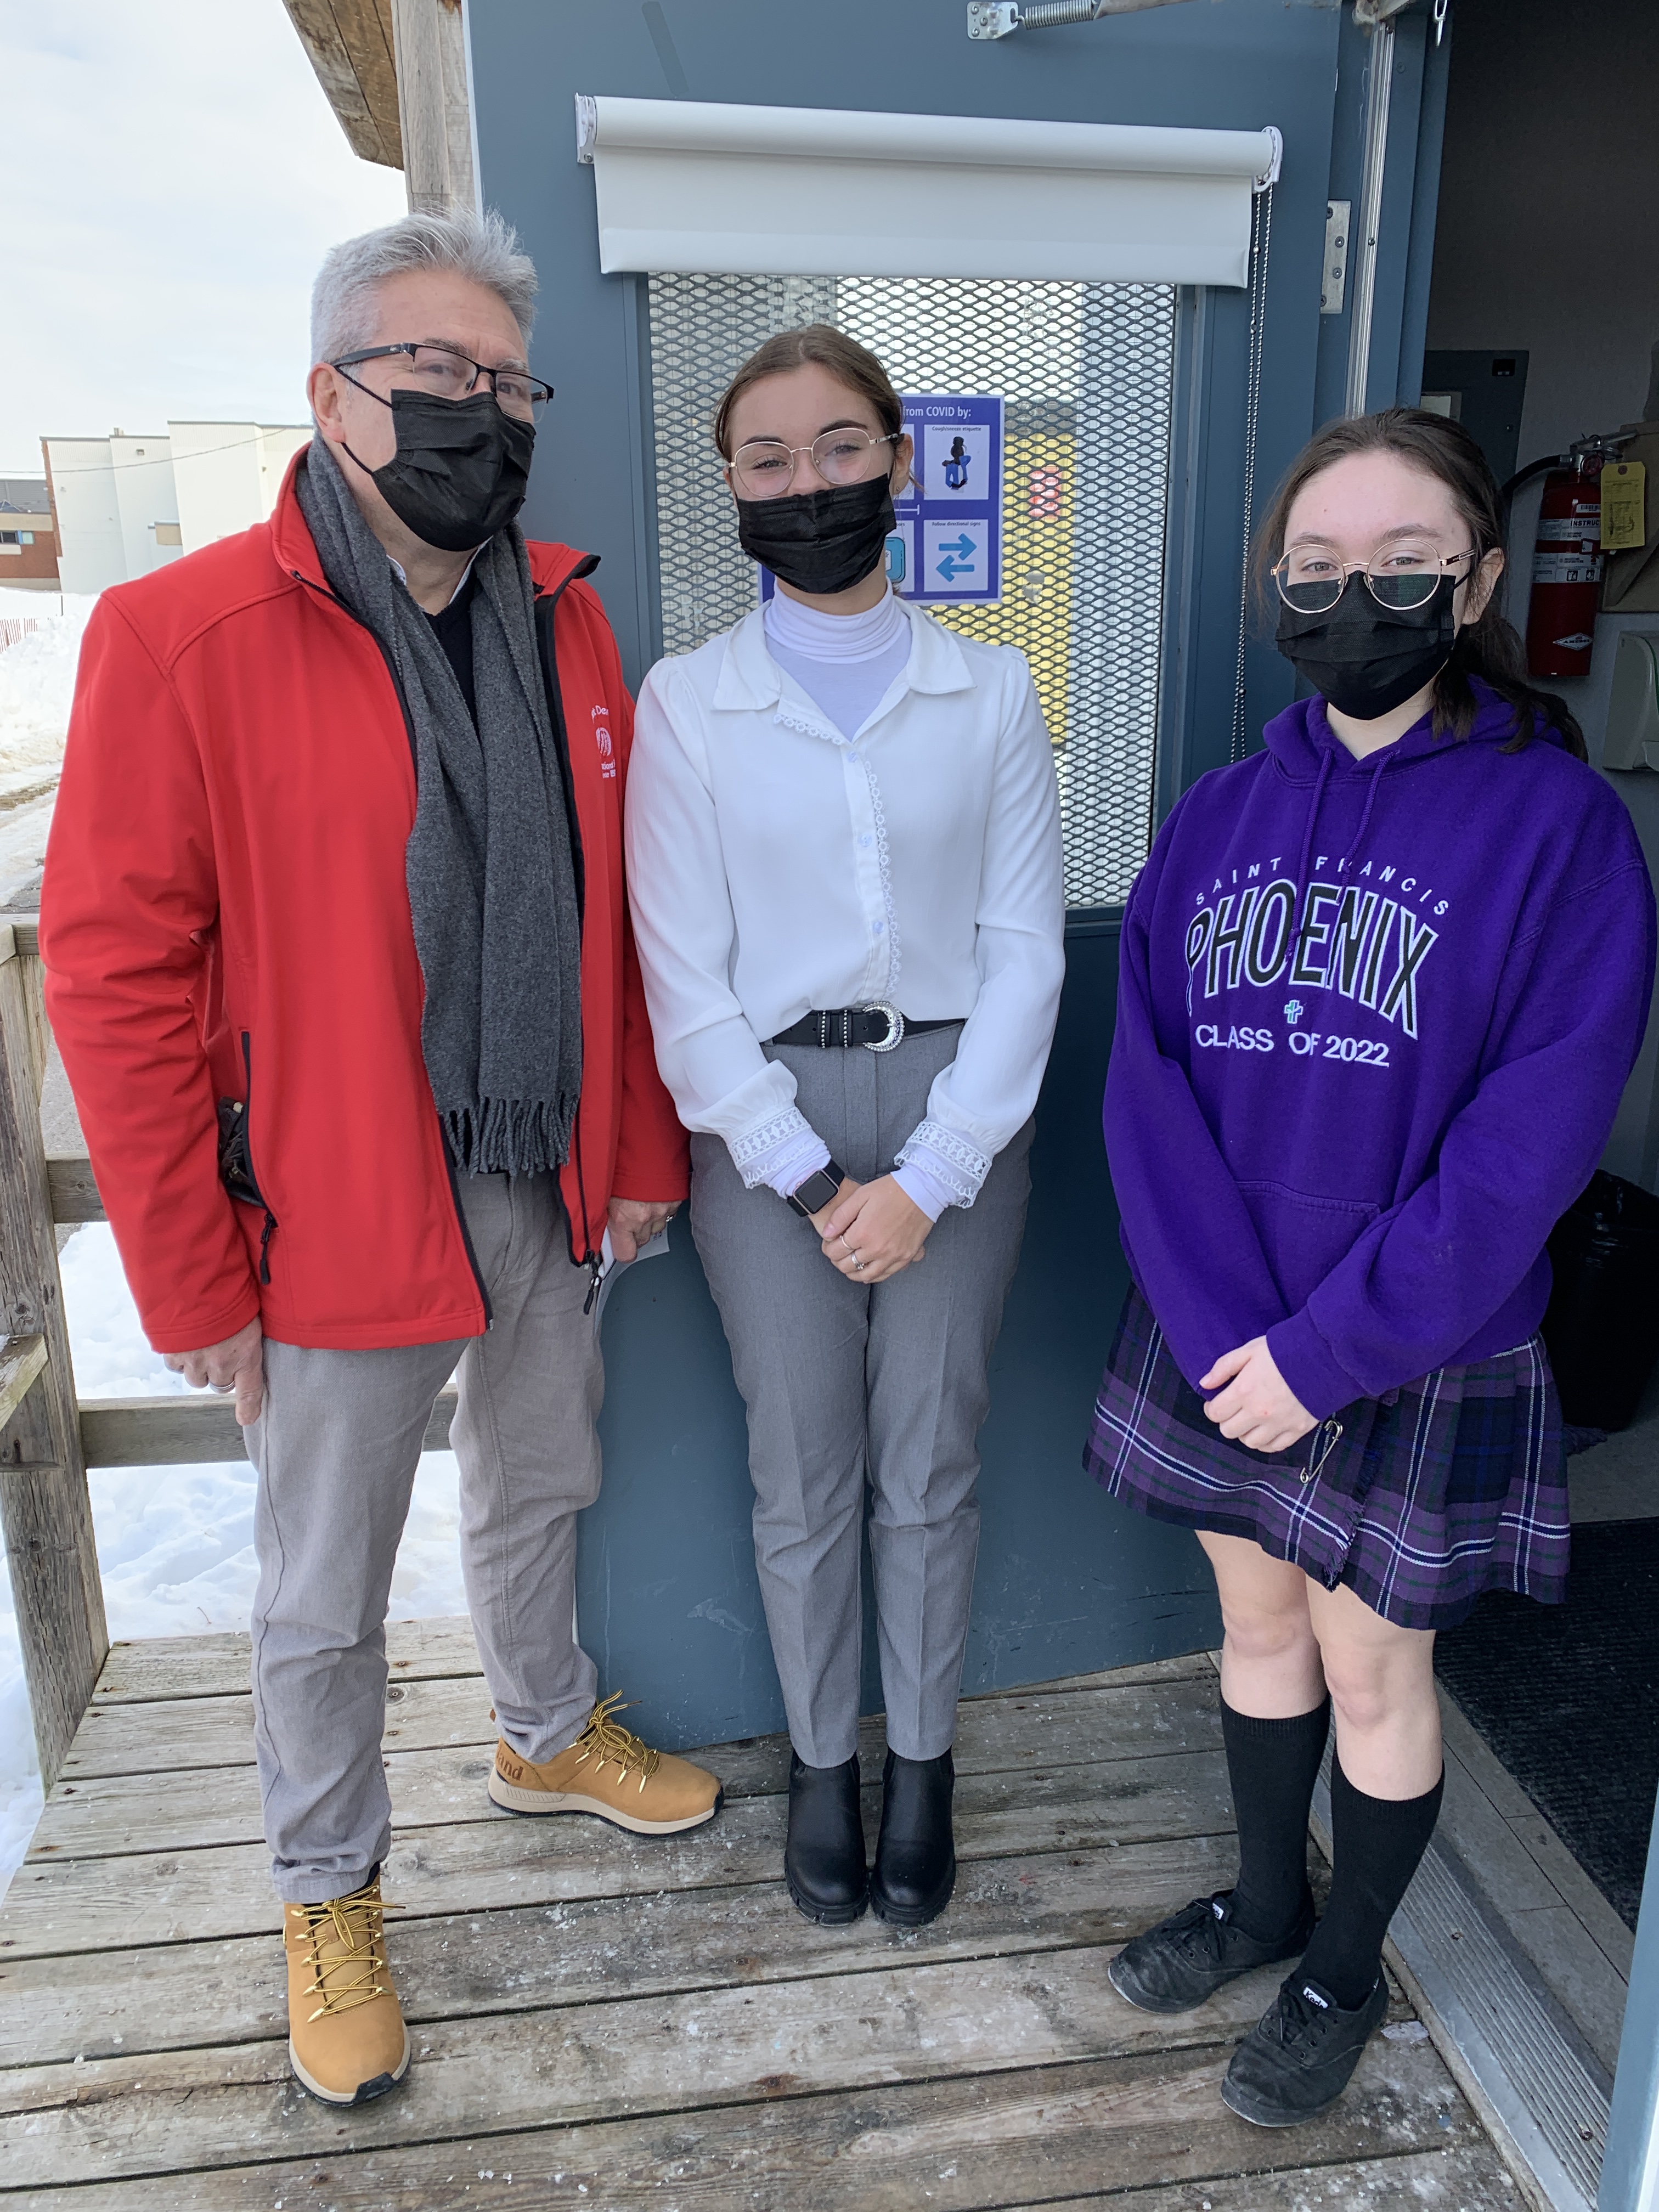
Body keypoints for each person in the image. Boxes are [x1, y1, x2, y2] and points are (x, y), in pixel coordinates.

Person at [40, 210, 722, 2111]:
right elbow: (114, 971)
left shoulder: (565, 616)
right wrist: (190, 1274)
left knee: (541, 1473)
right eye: (434, 371)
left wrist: (636, 1148)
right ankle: (324, 1886)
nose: (478, 410)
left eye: (507, 380)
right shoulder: (180, 633)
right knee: (321, 1579)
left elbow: (610, 920)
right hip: (323, 1194)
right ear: (330, 392)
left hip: (535, 1164)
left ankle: (537, 1730)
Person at [1087, 407, 1655, 2126]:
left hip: (1416, 1343)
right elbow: (1145, 1086)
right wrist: (1228, 1340)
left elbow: (1529, 1143)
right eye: (1320, 566)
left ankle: (1344, 1965)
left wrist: (1329, 1354)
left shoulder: (1561, 830)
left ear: (1474, 583)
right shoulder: (1217, 814)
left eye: (1406, 566)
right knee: (1259, 1631)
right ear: (1277, 583)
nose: (1359, 599)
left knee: (1374, 1670)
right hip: (1221, 1337)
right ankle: (1266, 1903)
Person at [625, 326, 1065, 1929]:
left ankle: (924, 1762)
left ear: (897, 461)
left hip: (960, 1104)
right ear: (734, 488)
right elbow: (682, 977)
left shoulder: (989, 689)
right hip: (765, 1123)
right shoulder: (691, 705)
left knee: (930, 1462)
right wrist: (813, 1179)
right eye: (768, 459)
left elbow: (1025, 952)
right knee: (802, 1468)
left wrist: (933, 1173)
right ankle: (825, 1763)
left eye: (837, 449)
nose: (805, 482)